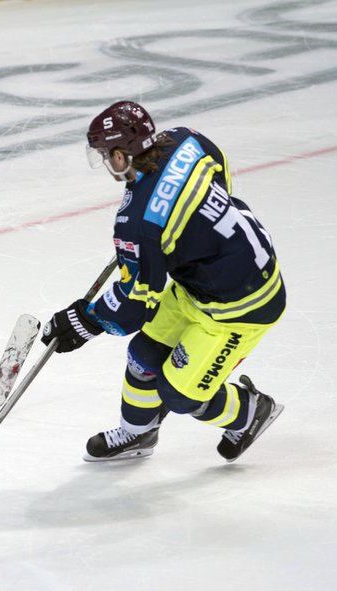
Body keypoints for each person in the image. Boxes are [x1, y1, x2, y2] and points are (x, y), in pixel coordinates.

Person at [41, 101, 285, 463]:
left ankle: (250, 412)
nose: (107, 162)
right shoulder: (185, 141)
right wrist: (186, 232)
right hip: (205, 283)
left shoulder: (139, 225)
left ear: (123, 156)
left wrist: (85, 320)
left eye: (107, 154)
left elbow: (136, 302)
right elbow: (218, 167)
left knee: (181, 396)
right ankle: (138, 434)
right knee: (143, 358)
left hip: (241, 307)